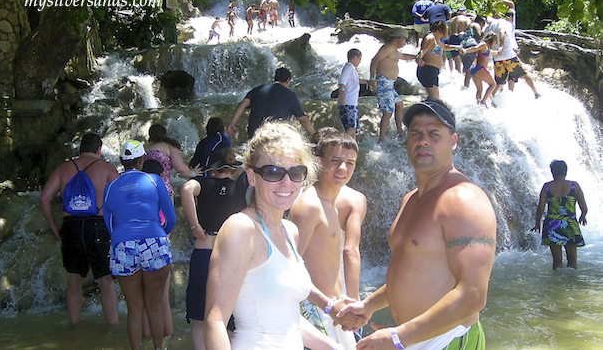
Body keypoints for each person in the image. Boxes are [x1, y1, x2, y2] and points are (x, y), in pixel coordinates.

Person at [339, 99, 496, 350]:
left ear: (453, 141)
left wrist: (397, 338)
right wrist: (367, 306)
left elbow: (473, 295)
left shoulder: (462, 199)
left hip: (447, 339)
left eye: (434, 134)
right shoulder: (410, 199)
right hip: (412, 338)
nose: (423, 140)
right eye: (416, 133)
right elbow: (413, 272)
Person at [204, 122, 364, 350]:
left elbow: (287, 318)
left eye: (296, 172)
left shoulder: (290, 231)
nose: (286, 182)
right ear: (251, 176)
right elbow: (215, 321)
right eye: (273, 171)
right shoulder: (241, 228)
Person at [39, 133, 119, 327]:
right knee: (105, 281)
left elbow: (44, 199)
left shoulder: (64, 168)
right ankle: (113, 329)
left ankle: (74, 327)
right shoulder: (107, 168)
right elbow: (120, 200)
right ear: (99, 150)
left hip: (71, 227)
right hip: (99, 228)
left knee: (74, 281)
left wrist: (54, 226)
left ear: (80, 148)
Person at [290, 128, 360, 349]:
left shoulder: (330, 205)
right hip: (315, 310)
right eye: (336, 160)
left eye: (350, 163)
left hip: (332, 308)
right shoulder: (310, 205)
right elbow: (290, 267)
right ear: (318, 162)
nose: (343, 168)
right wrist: (329, 307)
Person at [103, 140, 176, 350]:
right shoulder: (154, 180)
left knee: (134, 307)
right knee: (154, 305)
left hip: (122, 245)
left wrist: (123, 240)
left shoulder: (110, 187)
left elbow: (110, 225)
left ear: (121, 161)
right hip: (153, 241)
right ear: (142, 160)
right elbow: (170, 217)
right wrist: (159, 233)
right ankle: (158, 348)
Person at [181, 147, 249, 350]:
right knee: (229, 316)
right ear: (232, 169)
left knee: (199, 316)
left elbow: (185, 190)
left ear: (212, 170)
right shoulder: (239, 187)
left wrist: (195, 226)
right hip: (231, 253)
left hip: (204, 249)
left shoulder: (204, 183)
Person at [143, 123, 200, 339]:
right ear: (165, 134)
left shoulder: (146, 150)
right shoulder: (169, 146)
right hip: (164, 191)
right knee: (162, 234)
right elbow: (183, 169)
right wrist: (196, 173)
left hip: (146, 193)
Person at [226, 67, 315, 140]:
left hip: (256, 132)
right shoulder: (290, 95)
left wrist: (232, 124)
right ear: (288, 80)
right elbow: (303, 119)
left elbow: (242, 104)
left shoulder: (258, 90)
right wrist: (315, 135)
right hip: (275, 134)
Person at [531, 160, 587, 270]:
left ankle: (556, 283)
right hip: (570, 224)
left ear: (552, 172)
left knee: (556, 261)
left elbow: (540, 208)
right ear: (566, 171)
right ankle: (571, 284)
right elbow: (584, 207)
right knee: (572, 260)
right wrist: (583, 216)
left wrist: (537, 223)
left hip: (552, 225)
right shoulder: (574, 186)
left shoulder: (547, 187)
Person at [368, 28, 417, 143]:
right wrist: (372, 78)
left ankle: (400, 132)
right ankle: (381, 140)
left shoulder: (393, 49)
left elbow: (404, 56)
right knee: (388, 112)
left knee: (399, 105)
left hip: (389, 84)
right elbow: (374, 60)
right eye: (405, 40)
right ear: (399, 38)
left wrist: (416, 57)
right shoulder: (388, 47)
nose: (405, 43)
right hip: (383, 82)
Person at [488, 10, 541, 99]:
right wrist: (502, 45)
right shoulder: (507, 24)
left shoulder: (494, 24)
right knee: (524, 74)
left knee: (500, 81)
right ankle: (536, 94)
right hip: (509, 56)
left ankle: (489, 98)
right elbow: (502, 32)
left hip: (497, 57)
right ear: (510, 17)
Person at [144, 123, 200, 198]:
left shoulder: (144, 148)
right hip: (163, 188)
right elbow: (181, 168)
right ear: (165, 134)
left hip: (144, 189)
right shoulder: (168, 145)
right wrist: (193, 173)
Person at [416, 21, 463, 99]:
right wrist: (419, 59)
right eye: (443, 33)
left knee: (435, 97)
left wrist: (457, 47)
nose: (443, 36)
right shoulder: (430, 38)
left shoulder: (436, 39)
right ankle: (424, 110)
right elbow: (422, 51)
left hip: (433, 72)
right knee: (434, 97)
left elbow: (444, 47)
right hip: (427, 70)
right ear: (439, 30)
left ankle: (427, 109)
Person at [460, 32, 501, 107]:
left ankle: (478, 105)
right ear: (492, 40)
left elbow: (490, 52)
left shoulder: (486, 47)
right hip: (479, 69)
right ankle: (483, 102)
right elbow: (475, 48)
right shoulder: (483, 44)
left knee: (479, 90)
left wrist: (497, 52)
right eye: (495, 43)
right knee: (493, 84)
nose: (494, 45)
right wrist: (465, 51)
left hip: (474, 69)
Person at [338, 48, 365, 139]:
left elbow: (356, 81)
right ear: (355, 57)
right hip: (349, 102)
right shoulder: (349, 67)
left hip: (350, 102)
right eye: (359, 59)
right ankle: (339, 143)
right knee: (352, 127)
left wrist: (368, 82)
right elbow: (342, 82)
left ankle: (352, 149)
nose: (360, 61)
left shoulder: (350, 68)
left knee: (352, 129)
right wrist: (342, 96)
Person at [460, 15, 486, 88]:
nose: (483, 26)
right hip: (472, 45)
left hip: (463, 46)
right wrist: (485, 32)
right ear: (480, 22)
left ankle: (465, 88)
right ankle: (478, 89)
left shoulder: (468, 26)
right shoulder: (476, 24)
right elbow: (479, 36)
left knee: (467, 72)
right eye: (483, 24)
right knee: (476, 69)